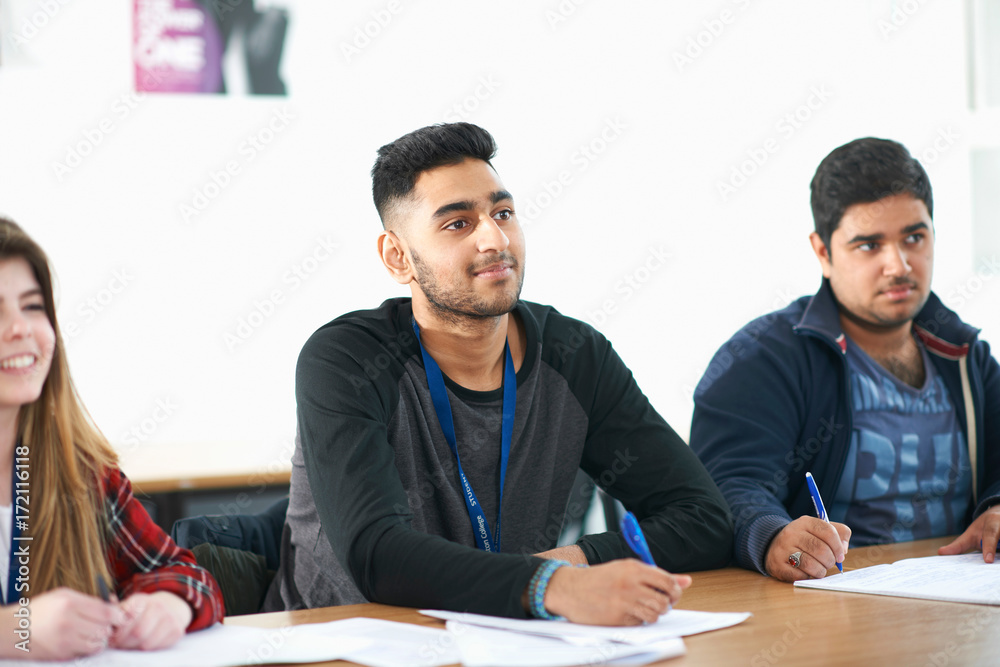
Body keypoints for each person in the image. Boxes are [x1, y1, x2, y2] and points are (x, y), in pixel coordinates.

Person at [264, 123, 733, 624]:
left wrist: (569, 565)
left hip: (505, 635)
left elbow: (703, 518)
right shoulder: (347, 360)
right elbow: (377, 556)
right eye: (458, 224)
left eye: (502, 213)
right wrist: (551, 585)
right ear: (398, 258)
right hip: (341, 641)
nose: (495, 238)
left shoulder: (574, 354)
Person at [690, 137, 1000, 582]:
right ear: (823, 252)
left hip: (958, 594)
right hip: (830, 600)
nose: (899, 265)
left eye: (914, 237)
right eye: (869, 245)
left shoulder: (966, 356)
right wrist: (772, 536)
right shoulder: (763, 357)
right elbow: (727, 485)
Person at [0, 218, 224, 660]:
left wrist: (168, 606)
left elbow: (189, 577)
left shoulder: (82, 473)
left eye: (32, 306)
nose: (20, 328)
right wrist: (15, 629)